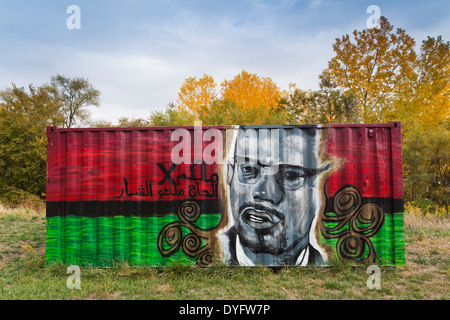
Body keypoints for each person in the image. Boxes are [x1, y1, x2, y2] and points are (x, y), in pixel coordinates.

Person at [219, 126, 332, 266]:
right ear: (230, 174)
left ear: (320, 186)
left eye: (290, 175)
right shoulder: (210, 252)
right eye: (248, 169)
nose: (263, 193)